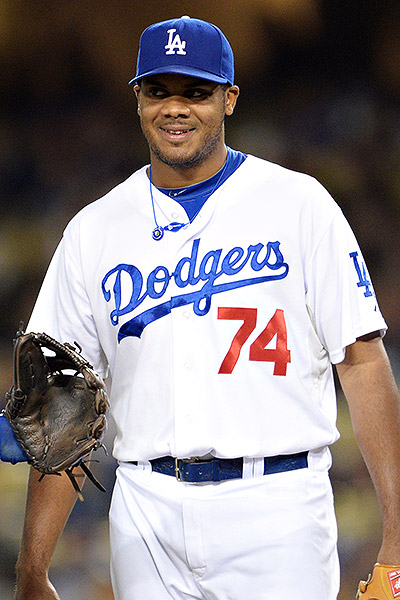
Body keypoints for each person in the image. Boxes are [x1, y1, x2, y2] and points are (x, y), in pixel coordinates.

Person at [5, 15, 400, 600]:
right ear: (138, 99)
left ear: (229, 98)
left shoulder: (299, 204)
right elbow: (61, 406)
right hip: (145, 509)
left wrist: (397, 539)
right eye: (158, 90)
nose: (175, 108)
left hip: (277, 503)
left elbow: (363, 363)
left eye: (195, 91)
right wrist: (33, 570)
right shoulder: (94, 231)